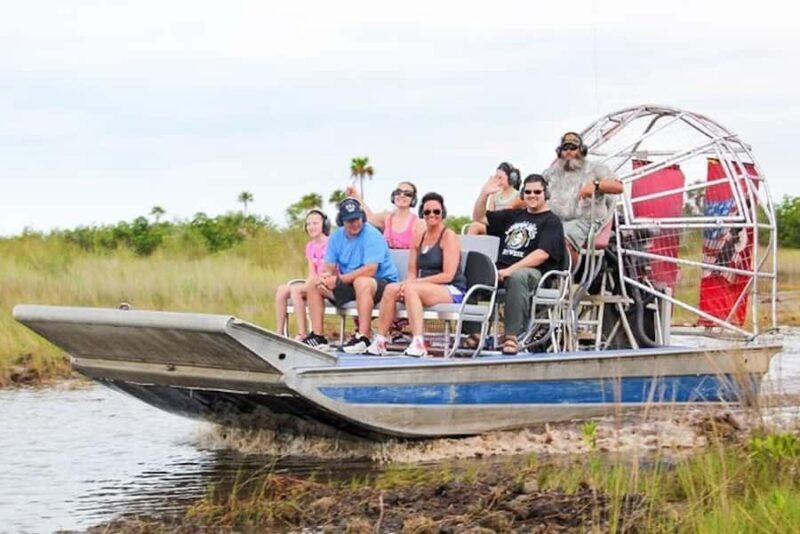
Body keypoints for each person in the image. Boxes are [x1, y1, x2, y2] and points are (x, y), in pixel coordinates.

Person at [472, 173, 566, 354]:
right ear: (523, 193)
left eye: (537, 191)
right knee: (473, 269)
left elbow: (541, 254)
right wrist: (484, 194)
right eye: (528, 191)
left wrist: (509, 270)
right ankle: (474, 335)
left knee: (517, 277)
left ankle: (511, 337)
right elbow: (479, 217)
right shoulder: (514, 215)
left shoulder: (551, 221)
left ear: (545, 193)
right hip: (502, 269)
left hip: (533, 273)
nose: (532, 195)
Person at [364, 192, 467, 357]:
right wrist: (408, 283)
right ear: (422, 214)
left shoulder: (448, 237)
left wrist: (416, 283)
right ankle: (381, 341)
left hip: (450, 288)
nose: (431, 215)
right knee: (391, 289)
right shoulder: (419, 236)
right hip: (423, 286)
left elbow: (448, 275)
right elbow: (411, 272)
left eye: (436, 211)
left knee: (412, 290)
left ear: (442, 213)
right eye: (427, 212)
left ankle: (418, 342)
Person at [303, 198, 399, 352]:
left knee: (362, 282)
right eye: (350, 221)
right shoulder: (336, 237)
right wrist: (324, 276)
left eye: (357, 219)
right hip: (351, 283)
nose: (355, 224)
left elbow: (370, 270)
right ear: (342, 221)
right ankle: (318, 336)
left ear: (362, 217)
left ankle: (363, 337)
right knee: (315, 284)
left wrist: (339, 280)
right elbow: (328, 265)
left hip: (381, 283)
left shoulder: (372, 235)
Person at [542, 131, 623, 260]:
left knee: (561, 239)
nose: (568, 151)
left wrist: (597, 185)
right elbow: (531, 189)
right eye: (565, 148)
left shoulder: (595, 168)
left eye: (573, 148)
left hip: (584, 221)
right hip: (554, 221)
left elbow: (619, 187)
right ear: (559, 152)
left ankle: (564, 277)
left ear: (581, 150)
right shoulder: (551, 173)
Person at [274, 209, 330, 339]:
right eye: (309, 224)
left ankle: (302, 333)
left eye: (315, 223)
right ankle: (279, 333)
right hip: (314, 282)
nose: (311, 227)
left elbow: (328, 271)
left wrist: (311, 284)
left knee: (295, 290)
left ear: (324, 225)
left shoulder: (331, 243)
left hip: (327, 283)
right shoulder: (310, 246)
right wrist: (309, 283)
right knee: (282, 290)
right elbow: (312, 273)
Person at [345, 181, 425, 249]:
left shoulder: (418, 223)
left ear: (413, 199)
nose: (402, 195)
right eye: (398, 192)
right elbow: (369, 217)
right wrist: (356, 196)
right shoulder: (387, 217)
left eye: (407, 194)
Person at [467, 162, 522, 235]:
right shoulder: (494, 195)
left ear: (511, 179)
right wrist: (485, 193)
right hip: (496, 225)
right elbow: (489, 214)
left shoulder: (517, 195)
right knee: (474, 226)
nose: (498, 181)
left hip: (509, 226)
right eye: (496, 177)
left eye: (500, 178)